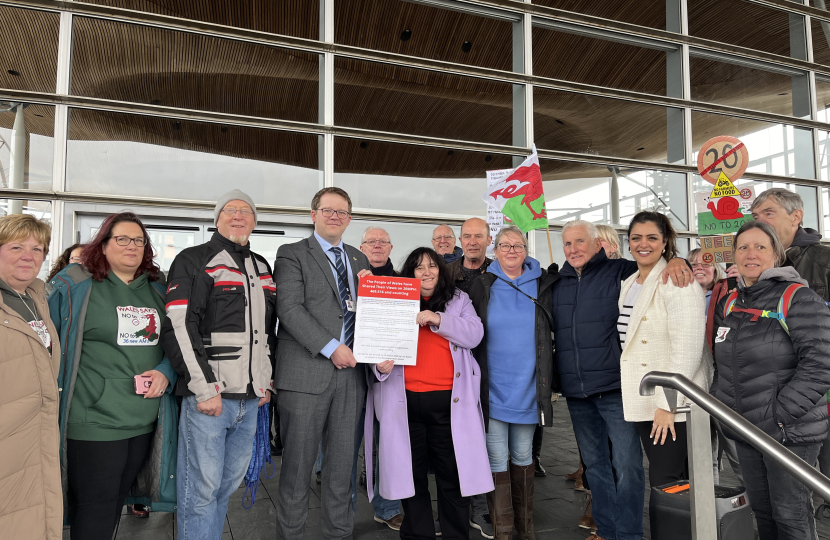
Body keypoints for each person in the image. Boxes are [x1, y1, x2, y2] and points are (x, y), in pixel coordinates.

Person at [551, 219, 691, 540]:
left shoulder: (620, 271)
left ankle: (628, 535)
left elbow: (654, 262)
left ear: (597, 244)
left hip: (616, 389)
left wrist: (679, 260)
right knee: (596, 468)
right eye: (568, 244)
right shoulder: (556, 282)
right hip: (577, 392)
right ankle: (607, 530)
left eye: (580, 242)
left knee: (627, 467)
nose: (573, 249)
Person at [50, 212, 177, 540]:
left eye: (139, 240)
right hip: (93, 421)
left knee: (115, 504)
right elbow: (45, 342)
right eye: (122, 238)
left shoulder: (157, 289)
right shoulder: (75, 285)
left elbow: (176, 345)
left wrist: (166, 373)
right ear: (103, 245)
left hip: (144, 421)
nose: (132, 246)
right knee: (97, 508)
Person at [161, 190, 276, 540]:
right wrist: (203, 388)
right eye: (230, 210)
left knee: (224, 490)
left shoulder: (261, 266)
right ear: (217, 218)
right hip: (210, 399)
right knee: (200, 492)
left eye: (246, 211)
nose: (238, 215)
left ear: (254, 221)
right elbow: (179, 326)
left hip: (250, 401)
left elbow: (267, 333)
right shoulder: (192, 259)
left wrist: (266, 383)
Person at [712, 220, 830, 540]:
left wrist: (777, 417)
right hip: (746, 428)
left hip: (789, 430)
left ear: (776, 255)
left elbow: (820, 365)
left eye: (760, 247)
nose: (751, 254)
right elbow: (722, 365)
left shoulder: (798, 298)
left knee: (790, 513)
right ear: (734, 255)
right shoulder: (731, 302)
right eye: (743, 247)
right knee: (763, 511)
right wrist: (723, 406)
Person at [366, 247, 493, 540]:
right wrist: (380, 366)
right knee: (412, 478)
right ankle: (417, 534)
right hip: (405, 403)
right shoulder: (394, 300)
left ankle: (455, 534)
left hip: (449, 403)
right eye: (419, 267)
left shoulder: (458, 300)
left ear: (440, 270)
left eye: (432, 266)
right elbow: (377, 346)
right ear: (410, 273)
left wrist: (438, 320)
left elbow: (475, 334)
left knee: (452, 476)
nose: (426, 272)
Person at [274, 187, 372, 540]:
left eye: (342, 212)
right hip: (306, 375)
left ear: (349, 218)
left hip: (352, 377)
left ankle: (338, 534)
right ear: (313, 214)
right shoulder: (291, 254)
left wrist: (381, 351)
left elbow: (371, 315)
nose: (335, 217)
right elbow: (289, 310)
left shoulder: (360, 259)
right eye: (328, 210)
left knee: (341, 469)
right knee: (297, 471)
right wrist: (332, 347)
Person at [468, 225, 557, 540]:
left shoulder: (545, 284)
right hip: (492, 387)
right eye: (505, 245)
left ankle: (525, 527)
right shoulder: (481, 285)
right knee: (496, 457)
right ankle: (504, 530)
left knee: (522, 455)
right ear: (495, 250)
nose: (511, 251)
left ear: (526, 250)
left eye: (518, 245)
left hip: (529, 387)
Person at [617, 212, 711, 492]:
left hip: (673, 404)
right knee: (672, 481)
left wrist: (667, 405)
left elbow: (688, 349)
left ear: (665, 241)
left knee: (668, 482)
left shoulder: (678, 281)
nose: (642, 244)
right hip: (647, 399)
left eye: (651, 238)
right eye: (636, 238)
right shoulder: (630, 282)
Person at [749, 188, 830, 494]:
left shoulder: (823, 259)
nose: (761, 221)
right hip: (777, 399)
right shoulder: (756, 266)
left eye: (768, 213)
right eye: (756, 216)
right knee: (788, 491)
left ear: (797, 217)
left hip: (819, 393)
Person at [0, 214, 62, 540]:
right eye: (16, 246)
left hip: (36, 437)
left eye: (37, 249)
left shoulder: (36, 298)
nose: (29, 255)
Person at [445, 217, 495, 538]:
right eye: (468, 236)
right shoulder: (445, 274)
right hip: (452, 370)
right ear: (459, 240)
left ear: (489, 239)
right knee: (451, 443)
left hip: (491, 366)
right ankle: (455, 510)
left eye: (479, 236)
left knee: (482, 439)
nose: (473, 241)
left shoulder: (499, 270)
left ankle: (480, 506)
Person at [355, 225, 403, 530]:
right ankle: (341, 510)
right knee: (344, 444)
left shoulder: (403, 283)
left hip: (388, 374)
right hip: (349, 371)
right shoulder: (346, 276)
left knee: (388, 441)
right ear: (361, 248)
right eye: (370, 241)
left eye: (382, 241)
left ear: (390, 248)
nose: (376, 245)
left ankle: (387, 508)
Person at [687, 248, 742, 484]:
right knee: (702, 448)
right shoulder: (682, 296)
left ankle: (756, 501)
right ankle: (711, 503)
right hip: (693, 377)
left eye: (705, 262)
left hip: (722, 376)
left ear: (716, 268)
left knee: (734, 444)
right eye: (693, 264)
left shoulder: (730, 293)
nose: (699, 267)